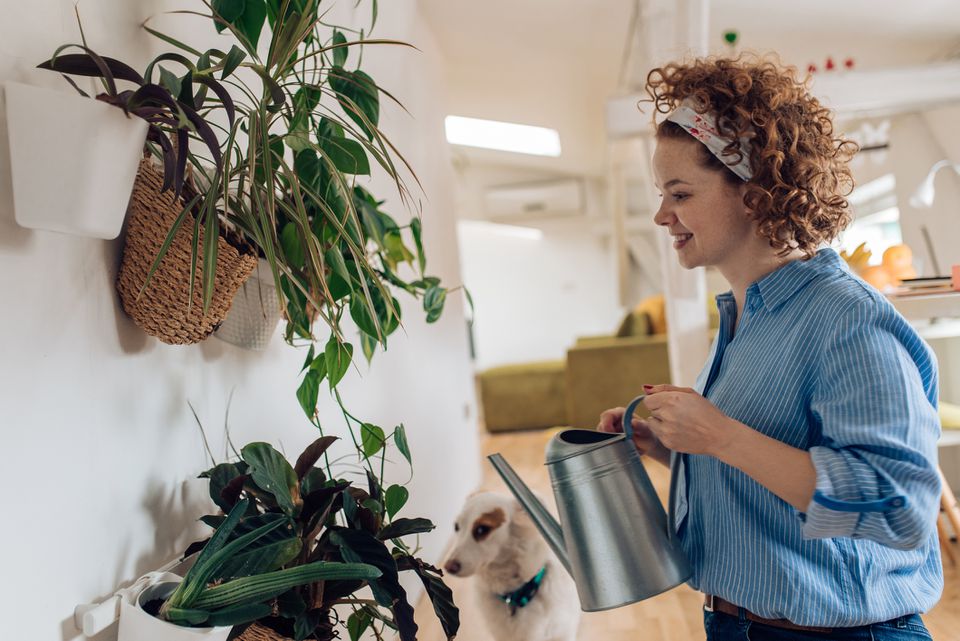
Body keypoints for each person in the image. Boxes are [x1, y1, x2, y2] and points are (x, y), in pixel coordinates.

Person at [598, 56, 943, 641]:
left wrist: (722, 436)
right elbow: (771, 475)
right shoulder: (744, 317)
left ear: (756, 193)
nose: (662, 215)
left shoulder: (845, 320)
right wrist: (679, 449)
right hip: (741, 624)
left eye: (679, 193)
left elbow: (899, 507)